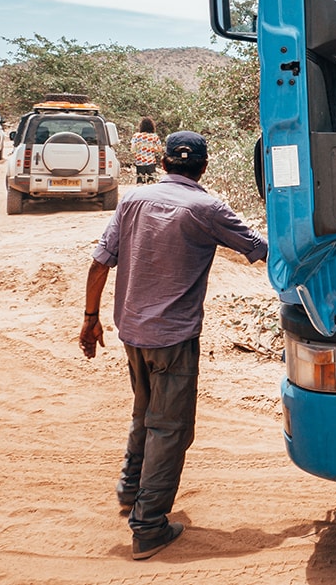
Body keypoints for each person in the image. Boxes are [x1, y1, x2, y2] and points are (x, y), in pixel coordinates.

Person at [79, 131, 267, 560]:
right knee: (170, 428)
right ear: (202, 167)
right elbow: (260, 248)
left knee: (145, 411)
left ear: (162, 164)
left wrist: (90, 320)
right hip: (174, 340)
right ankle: (148, 527)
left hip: (131, 332)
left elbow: (99, 263)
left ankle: (130, 490)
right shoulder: (208, 208)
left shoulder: (131, 201)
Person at [129, 118, 162, 184]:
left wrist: (139, 149)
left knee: (140, 181)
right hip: (151, 162)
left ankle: (139, 193)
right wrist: (151, 149)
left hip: (140, 162)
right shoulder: (154, 136)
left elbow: (132, 150)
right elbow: (160, 149)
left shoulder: (136, 136)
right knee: (152, 181)